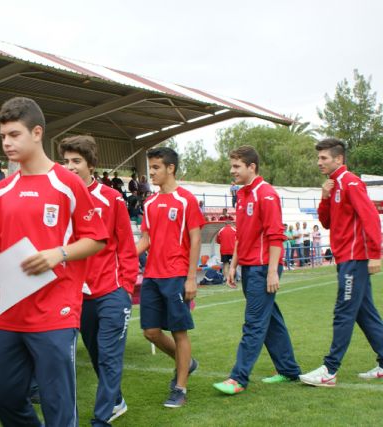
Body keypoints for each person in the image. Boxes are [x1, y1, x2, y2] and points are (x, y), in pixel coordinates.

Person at [0, 97, 107, 427]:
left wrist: (59, 253)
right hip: (9, 312)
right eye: (3, 137)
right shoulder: (3, 189)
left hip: (56, 310)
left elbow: (96, 237)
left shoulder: (66, 182)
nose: (7, 143)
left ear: (37, 132)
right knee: (2, 395)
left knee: (58, 403)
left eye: (14, 134)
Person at [60, 135, 138, 426]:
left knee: (108, 357)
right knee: (95, 354)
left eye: (76, 161)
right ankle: (116, 400)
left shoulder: (112, 197)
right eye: (66, 161)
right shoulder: (59, 197)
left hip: (111, 291)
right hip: (77, 294)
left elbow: (126, 245)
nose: (70, 167)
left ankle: (101, 419)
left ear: (91, 165)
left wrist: (126, 287)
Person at [213, 145, 301, 395]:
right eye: (232, 166)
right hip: (250, 267)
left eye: (237, 166)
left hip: (263, 268)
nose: (232, 171)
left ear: (252, 167)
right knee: (271, 321)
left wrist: (273, 271)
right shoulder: (242, 195)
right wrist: (234, 266)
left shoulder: (267, 194)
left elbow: (275, 236)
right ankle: (289, 370)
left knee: (253, 323)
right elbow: (242, 235)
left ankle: (238, 378)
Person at [299, 138, 383, 386]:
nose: (319, 162)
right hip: (345, 257)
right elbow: (326, 222)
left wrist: (376, 254)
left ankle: (330, 370)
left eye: (324, 158)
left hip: (355, 258)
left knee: (343, 312)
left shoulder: (352, 182)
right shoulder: (333, 185)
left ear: (339, 159)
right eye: (319, 158)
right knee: (364, 314)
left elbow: (370, 218)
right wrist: (324, 196)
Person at [135, 147, 203, 408]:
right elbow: (146, 239)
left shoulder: (186, 200)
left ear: (170, 168)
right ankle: (187, 363)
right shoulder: (150, 203)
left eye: (155, 167)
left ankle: (180, 388)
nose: (151, 172)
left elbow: (195, 239)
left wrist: (191, 277)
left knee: (179, 332)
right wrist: (123, 255)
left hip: (176, 276)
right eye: (150, 167)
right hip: (152, 275)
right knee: (151, 332)